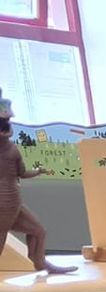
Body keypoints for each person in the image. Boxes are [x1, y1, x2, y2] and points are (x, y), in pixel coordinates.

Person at [0, 113, 73, 275]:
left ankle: (39, 262)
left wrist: (38, 171)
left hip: (14, 204)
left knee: (38, 231)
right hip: (3, 208)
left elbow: (22, 172)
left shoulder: (12, 150)